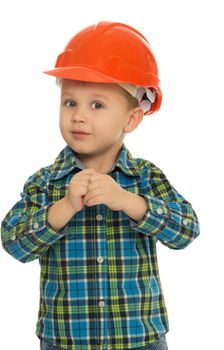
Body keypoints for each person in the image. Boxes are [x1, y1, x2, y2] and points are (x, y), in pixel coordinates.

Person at [0, 21, 200, 350]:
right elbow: (14, 243)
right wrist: (63, 209)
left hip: (139, 340)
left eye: (97, 105)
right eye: (70, 102)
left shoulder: (144, 178)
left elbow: (187, 231)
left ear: (131, 119)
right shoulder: (45, 182)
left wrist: (128, 202)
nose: (79, 116)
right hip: (66, 341)